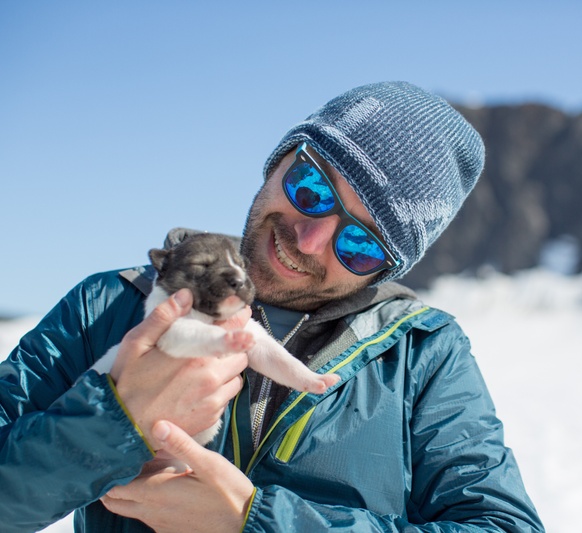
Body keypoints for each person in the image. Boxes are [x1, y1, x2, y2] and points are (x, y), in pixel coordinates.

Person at [0, 81, 545, 532]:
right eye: (312, 188)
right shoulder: (112, 306)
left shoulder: (423, 353)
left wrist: (255, 521)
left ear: (385, 268)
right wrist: (112, 424)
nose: (308, 240)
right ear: (280, 159)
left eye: (359, 244)